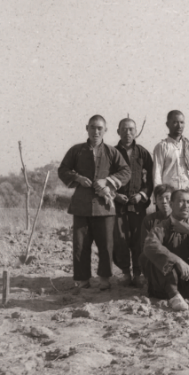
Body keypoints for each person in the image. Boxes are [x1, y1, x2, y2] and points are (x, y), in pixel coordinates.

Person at [58, 115, 131, 291]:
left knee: (106, 245)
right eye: (92, 127)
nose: (96, 131)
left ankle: (105, 278)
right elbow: (63, 170)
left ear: (105, 130)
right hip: (81, 206)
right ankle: (83, 280)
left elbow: (126, 171)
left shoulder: (112, 152)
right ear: (87, 128)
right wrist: (77, 178)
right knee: (80, 245)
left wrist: (108, 181)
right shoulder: (76, 150)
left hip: (104, 207)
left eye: (99, 128)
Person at [113, 118, 154, 288]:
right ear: (118, 132)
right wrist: (114, 195)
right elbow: (104, 179)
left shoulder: (143, 153)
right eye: (124, 129)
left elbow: (151, 180)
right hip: (118, 205)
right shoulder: (111, 153)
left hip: (138, 205)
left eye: (131, 129)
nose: (127, 133)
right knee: (120, 238)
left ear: (136, 132)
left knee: (139, 239)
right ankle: (125, 272)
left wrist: (142, 195)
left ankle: (138, 273)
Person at [152, 110, 189, 190]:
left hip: (187, 191)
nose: (179, 126)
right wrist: (159, 192)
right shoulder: (162, 147)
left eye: (182, 122)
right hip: (169, 193)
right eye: (175, 122)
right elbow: (157, 172)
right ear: (168, 124)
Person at [140, 184, 174, 251]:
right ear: (156, 201)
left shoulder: (180, 219)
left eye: (167, 198)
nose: (164, 202)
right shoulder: (149, 220)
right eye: (160, 198)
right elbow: (145, 245)